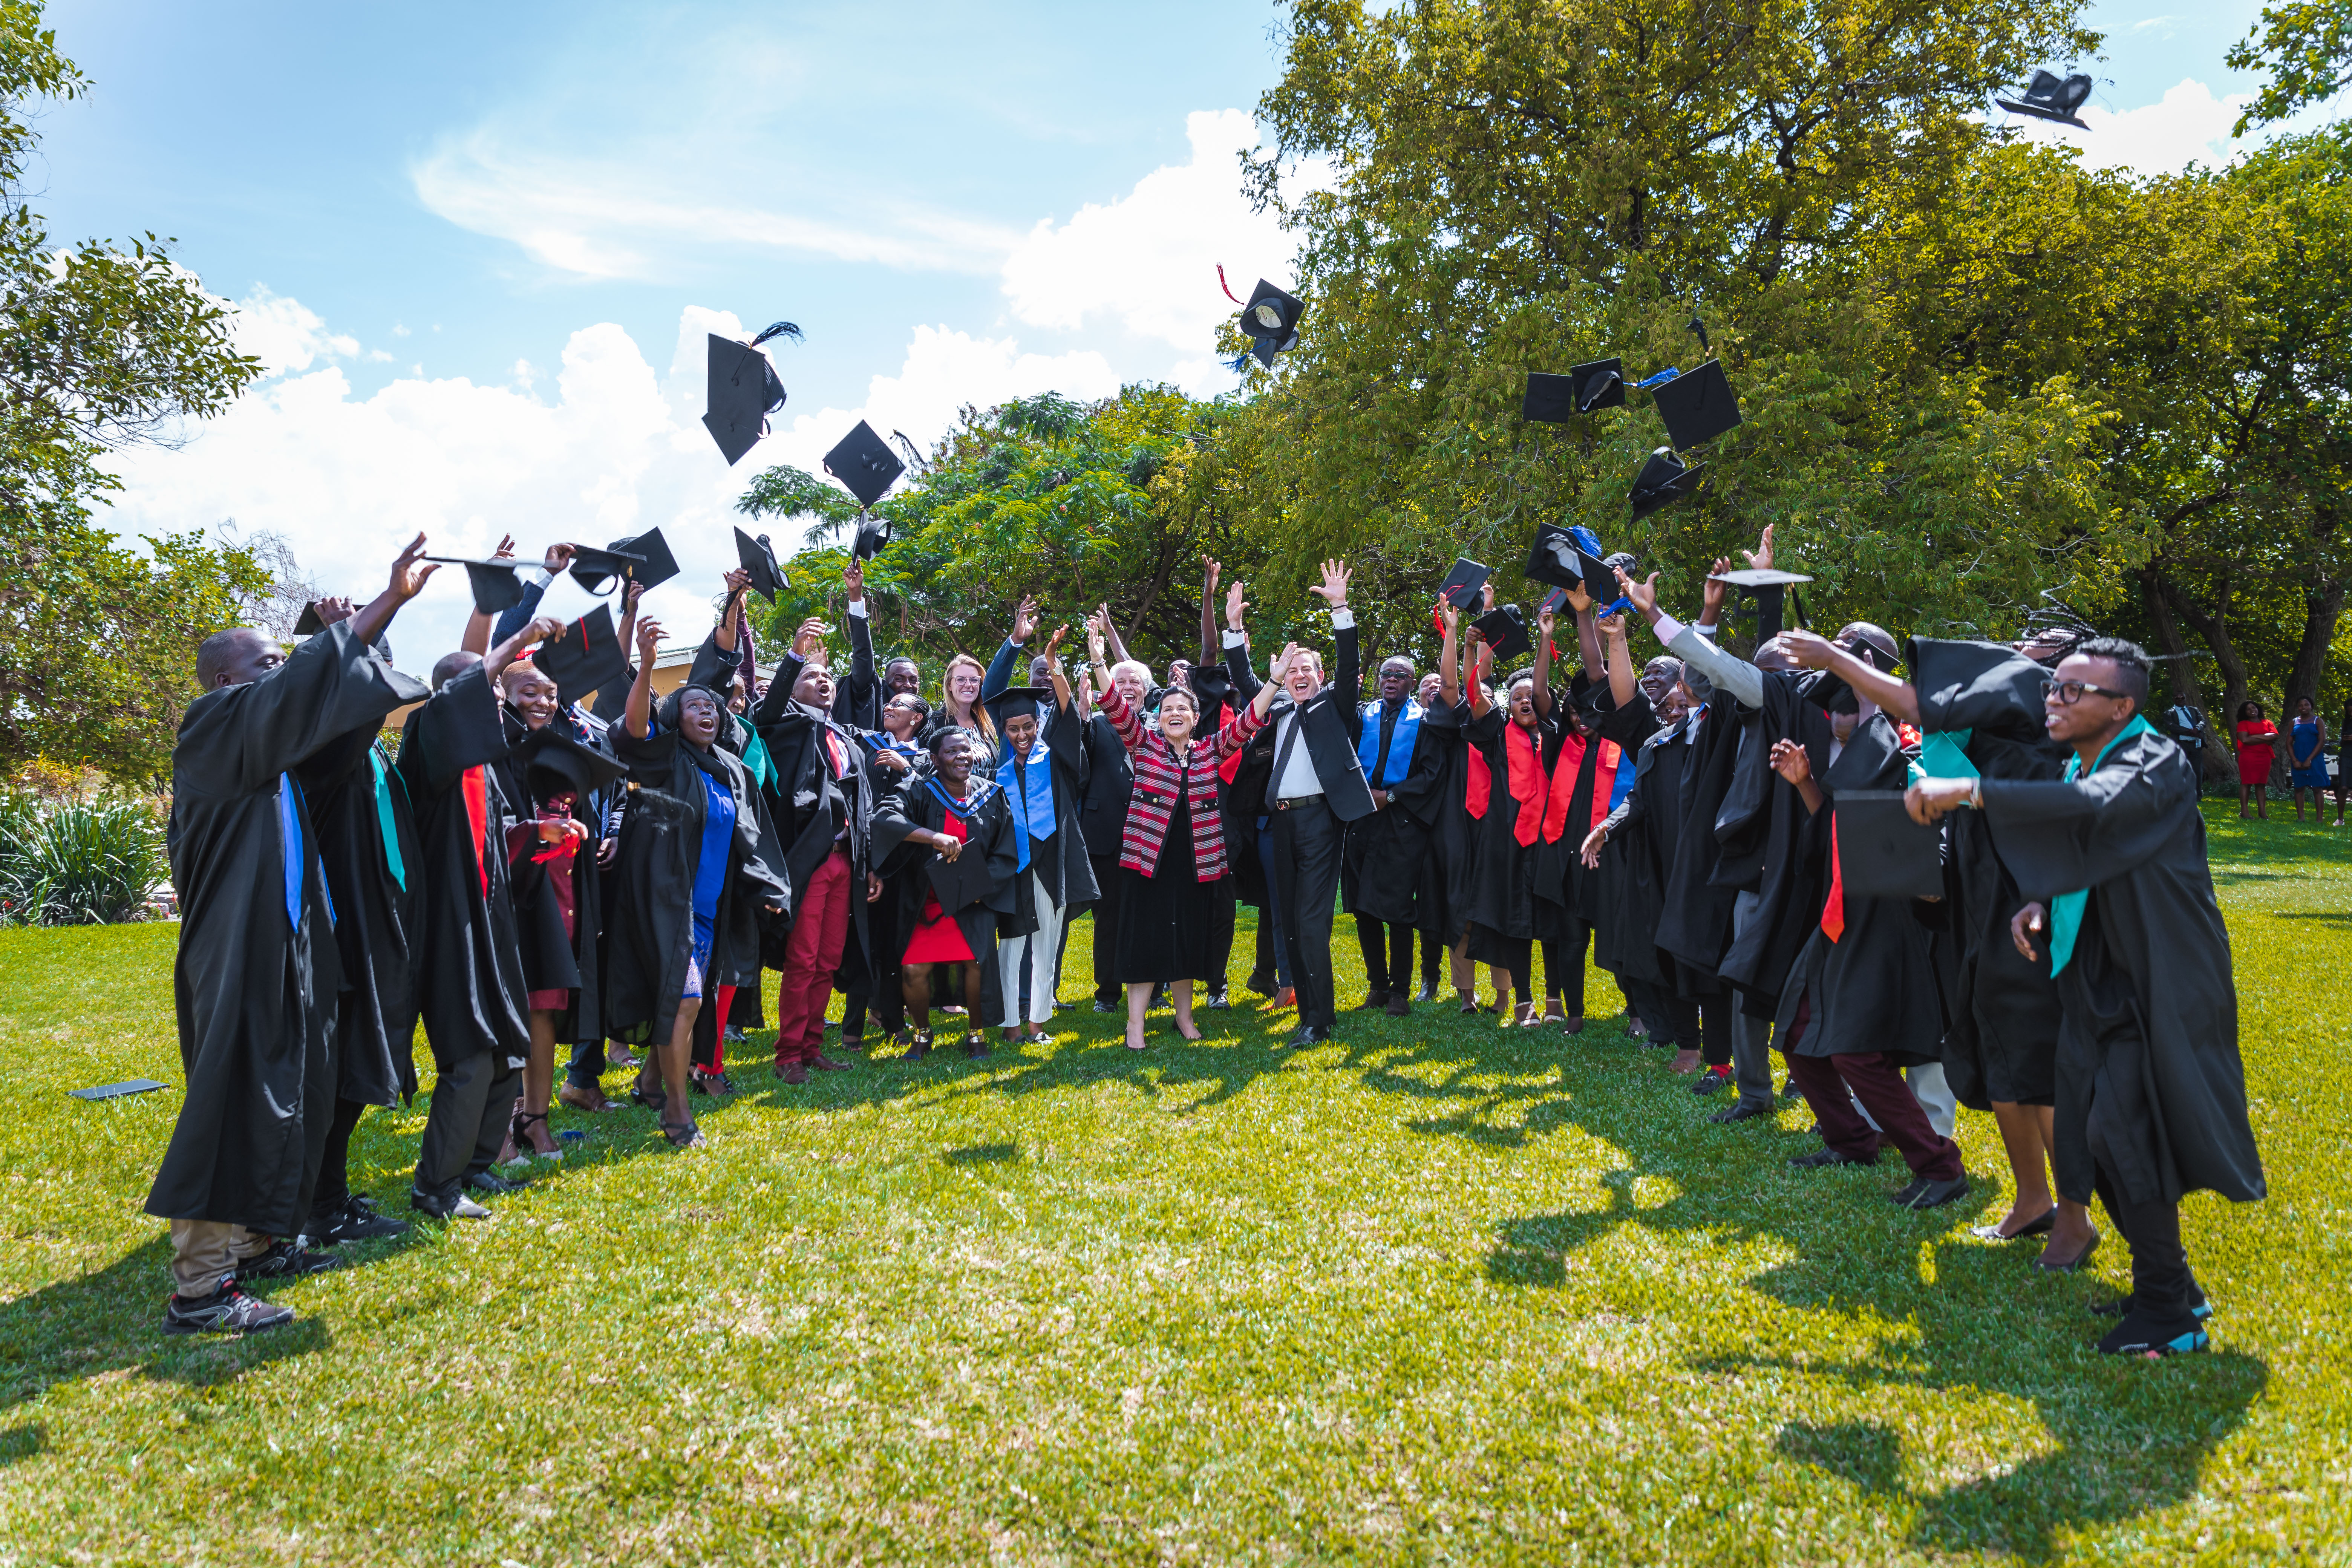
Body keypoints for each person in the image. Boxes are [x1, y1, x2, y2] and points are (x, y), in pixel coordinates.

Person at [1910, 638, 2265, 1355]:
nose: (2054, 700)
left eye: (2074, 692)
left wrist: (1970, 789)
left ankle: (2170, 1309)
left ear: (2122, 707)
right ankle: (2172, 1286)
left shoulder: (2151, 760)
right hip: (2092, 973)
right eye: (2054, 688)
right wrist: (2039, 902)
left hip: (2158, 979)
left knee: (2119, 1133)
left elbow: (2094, 808)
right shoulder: (2082, 757)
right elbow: (2080, 843)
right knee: (2089, 1140)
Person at [150, 537, 436, 1333]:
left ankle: (260, 1242)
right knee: (232, 1101)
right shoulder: (211, 730)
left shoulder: (270, 763)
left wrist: (371, 635)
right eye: (267, 663)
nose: (283, 673)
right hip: (240, 953)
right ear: (224, 681)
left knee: (290, 1096)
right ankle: (200, 1289)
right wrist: (380, 608)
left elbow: (331, 717)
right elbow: (300, 694)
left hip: (292, 951)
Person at [1784, 613, 2099, 1266]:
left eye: (2038, 639)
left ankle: (2075, 1215)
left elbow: (1909, 701)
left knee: (2035, 1068)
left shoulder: (2029, 689)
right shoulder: (2004, 705)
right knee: (2003, 1064)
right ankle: (2032, 1200)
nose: (2022, 640)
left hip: (2025, 890)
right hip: (1984, 889)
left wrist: (1828, 654)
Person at [1762, 623, 1969, 1210]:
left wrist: (1856, 673)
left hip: (1887, 922)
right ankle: (1852, 1139)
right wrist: (1806, 785)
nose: (1836, 714)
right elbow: (1838, 829)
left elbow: (1933, 836)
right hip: (1837, 918)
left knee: (1858, 1051)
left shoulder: (1905, 748)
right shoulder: (1849, 755)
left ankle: (1939, 1165)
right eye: (1833, 708)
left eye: (1847, 699)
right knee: (1798, 1036)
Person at [603, 617, 790, 1142]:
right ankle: (677, 1115)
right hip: (666, 903)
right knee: (684, 1001)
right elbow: (633, 728)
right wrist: (645, 665)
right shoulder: (663, 759)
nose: (707, 712)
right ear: (674, 719)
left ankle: (648, 1084)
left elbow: (750, 836)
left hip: (711, 910)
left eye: (712, 706)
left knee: (690, 1002)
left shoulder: (731, 771)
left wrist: (767, 889)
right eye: (694, 706)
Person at [282, 596, 423, 1248]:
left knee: (360, 1070)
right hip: (337, 931)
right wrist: (359, 633)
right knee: (337, 1075)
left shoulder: (372, 757)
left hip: (376, 927)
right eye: (370, 664)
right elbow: (350, 713)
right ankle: (319, 1206)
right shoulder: (317, 749)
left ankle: (329, 1199)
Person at [1091, 614, 1282, 1049]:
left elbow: (1251, 720)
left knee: (1186, 940)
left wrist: (1271, 683)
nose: (1175, 714)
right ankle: (1135, 1024)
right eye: (1169, 709)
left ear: (1196, 718)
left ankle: (1184, 1016)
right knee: (1145, 940)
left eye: (1184, 709)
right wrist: (1099, 660)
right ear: (1159, 718)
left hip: (1196, 861)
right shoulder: (1143, 742)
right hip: (1147, 860)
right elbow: (1113, 705)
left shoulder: (1210, 748)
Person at [1219, 560, 1374, 1046]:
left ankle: (1318, 1019)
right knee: (1287, 921)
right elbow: (1246, 680)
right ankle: (1309, 1012)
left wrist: (1340, 608)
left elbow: (1349, 669)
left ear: (1319, 675)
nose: (1299, 676)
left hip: (1322, 822)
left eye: (1308, 669)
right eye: (1293, 671)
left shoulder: (1335, 704)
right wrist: (1234, 628)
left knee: (1311, 924)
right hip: (1280, 825)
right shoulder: (1278, 708)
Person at [490, 656, 620, 1158]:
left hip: (561, 901)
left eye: (549, 693)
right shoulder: (497, 750)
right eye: (528, 693)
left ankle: (534, 1120)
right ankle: (498, 1128)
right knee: (510, 1017)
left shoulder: (563, 750)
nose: (542, 702)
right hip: (513, 900)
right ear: (503, 697)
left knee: (542, 1013)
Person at [749, 617, 887, 1084]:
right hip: (809, 858)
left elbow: (861, 804)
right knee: (803, 958)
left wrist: (867, 864)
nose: (823, 680)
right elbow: (766, 710)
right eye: (812, 676)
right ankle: (788, 1053)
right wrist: (795, 655)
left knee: (828, 958)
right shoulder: (786, 726)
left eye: (827, 676)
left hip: (846, 860)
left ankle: (812, 1046)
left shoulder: (846, 738)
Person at [871, 727, 1019, 1056]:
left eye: (965, 750)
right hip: (929, 900)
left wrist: (980, 888)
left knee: (975, 965)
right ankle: (922, 1034)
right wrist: (933, 837)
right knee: (913, 969)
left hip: (975, 899)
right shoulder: (921, 791)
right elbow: (884, 818)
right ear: (935, 759)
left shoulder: (991, 794)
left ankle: (976, 1035)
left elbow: (1006, 852)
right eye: (951, 752)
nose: (961, 757)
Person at [985, 625, 1099, 1045]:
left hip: (1051, 863)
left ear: (1038, 724)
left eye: (1028, 726)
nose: (1021, 735)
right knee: (1011, 944)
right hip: (1012, 866)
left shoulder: (1056, 758)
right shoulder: (996, 772)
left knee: (1046, 944)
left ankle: (1036, 1023)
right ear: (1004, 730)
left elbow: (1069, 713)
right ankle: (1009, 1025)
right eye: (1013, 728)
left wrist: (1053, 665)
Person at [1342, 644, 1450, 1017]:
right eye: (1386, 674)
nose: (1390, 680)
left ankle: (1401, 991)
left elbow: (1432, 775)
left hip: (1402, 821)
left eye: (1399, 676)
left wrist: (1391, 795)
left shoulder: (1425, 721)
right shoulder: (1362, 715)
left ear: (1411, 683)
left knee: (1400, 909)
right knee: (1364, 908)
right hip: (1362, 820)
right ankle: (1377, 986)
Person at [1080, 654, 1145, 1013]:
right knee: (1108, 917)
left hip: (1151, 838)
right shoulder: (1097, 725)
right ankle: (1107, 993)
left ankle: (1154, 985)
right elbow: (1077, 759)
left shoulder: (1161, 725)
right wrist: (1083, 714)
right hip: (1105, 836)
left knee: (1149, 913)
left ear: (1146, 691)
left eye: (1135, 683)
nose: (1128, 688)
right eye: (1121, 683)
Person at [2233, 700, 2275, 820]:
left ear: (2258, 708)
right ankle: (2244, 812)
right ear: (2244, 712)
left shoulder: (2268, 722)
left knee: (2261, 784)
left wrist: (2253, 737)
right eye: (2248, 709)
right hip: (2248, 757)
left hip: (2265, 757)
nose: (2252, 710)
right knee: (2247, 783)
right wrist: (2265, 738)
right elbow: (2245, 740)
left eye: (2254, 707)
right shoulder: (2243, 724)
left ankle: (2262, 813)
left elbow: (2275, 736)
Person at [2288, 697, 2328, 822]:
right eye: (2301, 705)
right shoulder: (2294, 722)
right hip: (2298, 758)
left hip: (2315, 758)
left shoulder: (2318, 721)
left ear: (2311, 706)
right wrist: (2294, 760)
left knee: (2317, 788)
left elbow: (2322, 741)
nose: (2303, 707)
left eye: (2306, 705)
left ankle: (2319, 819)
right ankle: (2301, 818)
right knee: (2299, 788)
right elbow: (2289, 743)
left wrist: (2310, 759)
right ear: (2297, 708)